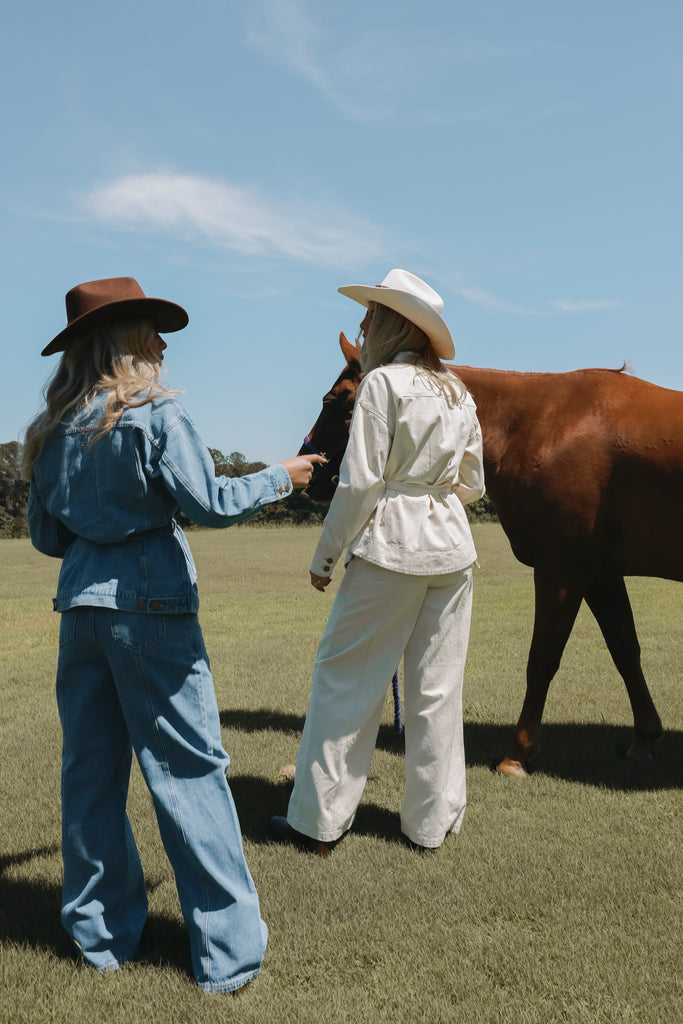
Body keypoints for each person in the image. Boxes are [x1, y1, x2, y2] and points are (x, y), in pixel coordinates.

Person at [22, 277, 322, 992]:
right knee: (189, 773)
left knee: (90, 775)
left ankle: (101, 940)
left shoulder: (51, 430)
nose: (162, 343)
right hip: (151, 608)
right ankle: (228, 955)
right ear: (124, 338)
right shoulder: (155, 413)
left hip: (81, 611)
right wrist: (281, 476)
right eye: (152, 330)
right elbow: (210, 503)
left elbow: (45, 536)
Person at [270, 268, 485, 853]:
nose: (363, 324)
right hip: (453, 551)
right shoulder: (458, 391)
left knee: (344, 680)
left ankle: (317, 825)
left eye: (372, 314)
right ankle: (430, 826)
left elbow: (360, 482)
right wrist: (431, 493)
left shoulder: (381, 384)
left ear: (394, 323)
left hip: (392, 546)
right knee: (437, 689)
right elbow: (473, 484)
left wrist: (325, 556)